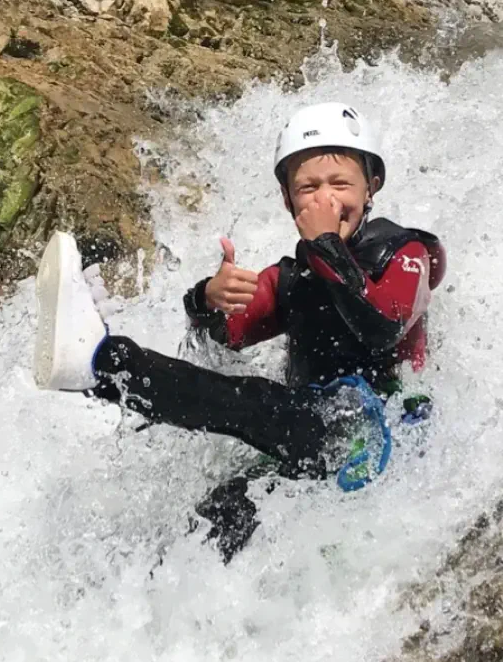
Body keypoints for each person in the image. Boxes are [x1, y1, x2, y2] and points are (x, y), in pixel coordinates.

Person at [33, 102, 446, 558]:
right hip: (315, 436)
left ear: (372, 188)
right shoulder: (294, 278)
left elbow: (384, 325)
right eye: (308, 188)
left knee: (247, 402)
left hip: (379, 433)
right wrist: (208, 299)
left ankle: (102, 362)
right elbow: (223, 340)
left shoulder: (405, 253)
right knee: (218, 513)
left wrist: (327, 246)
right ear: (288, 201)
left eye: (340, 184)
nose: (325, 200)